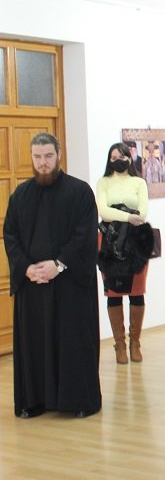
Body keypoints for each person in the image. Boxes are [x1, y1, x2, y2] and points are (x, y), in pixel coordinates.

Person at [4, 133, 101, 418]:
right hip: (33, 285)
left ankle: (78, 401)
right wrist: (26, 267)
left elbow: (84, 235)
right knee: (34, 344)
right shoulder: (20, 195)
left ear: (59, 154)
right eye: (37, 157)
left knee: (73, 342)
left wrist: (58, 264)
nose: (43, 163)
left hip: (69, 284)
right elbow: (10, 236)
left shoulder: (80, 192)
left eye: (48, 156)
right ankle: (33, 401)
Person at [96, 142, 151, 364]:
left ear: (130, 158)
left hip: (135, 242)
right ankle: (119, 344)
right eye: (113, 157)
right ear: (109, 161)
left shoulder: (139, 182)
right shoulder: (104, 182)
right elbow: (103, 212)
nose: (118, 160)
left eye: (122, 156)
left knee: (137, 291)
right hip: (109, 242)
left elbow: (142, 213)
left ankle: (135, 342)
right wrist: (128, 216)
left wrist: (121, 214)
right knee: (114, 293)